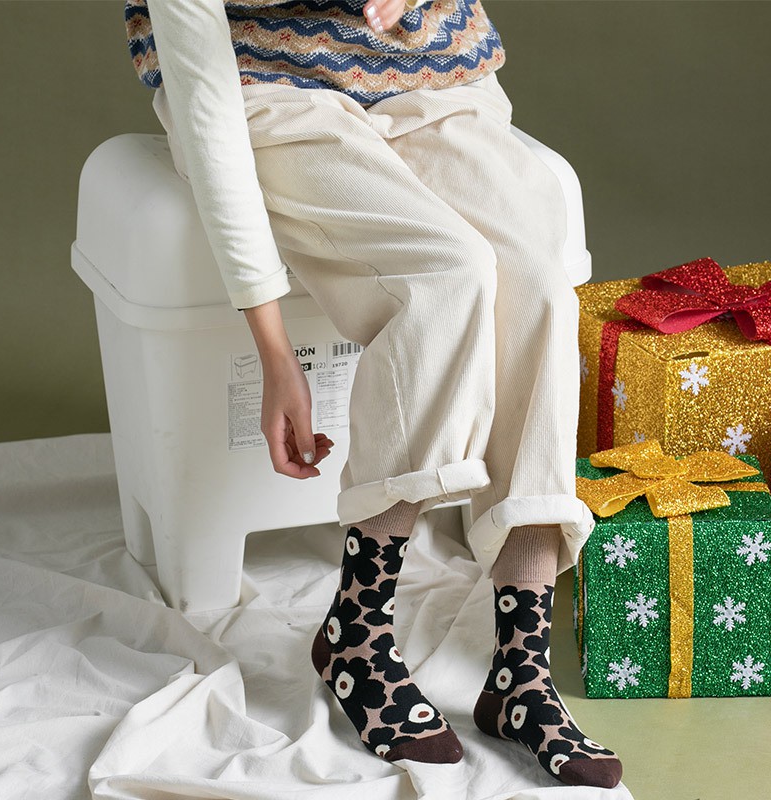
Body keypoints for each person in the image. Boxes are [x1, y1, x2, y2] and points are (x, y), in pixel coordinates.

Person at [124, 0, 622, 788]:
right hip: (265, 84)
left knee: (539, 285)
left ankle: (520, 675)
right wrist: (275, 352)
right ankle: (356, 635)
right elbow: (208, 113)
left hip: (430, 74)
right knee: (448, 275)